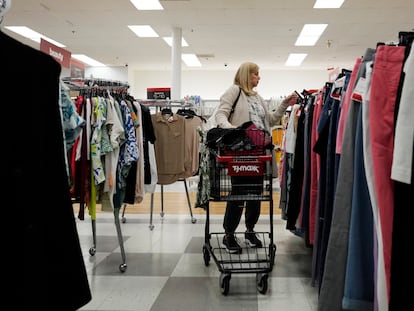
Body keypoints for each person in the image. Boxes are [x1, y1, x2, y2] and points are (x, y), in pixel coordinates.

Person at [215, 61, 298, 253]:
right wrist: (233, 130)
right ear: (246, 75)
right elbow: (221, 115)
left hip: (259, 155)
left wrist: (285, 103)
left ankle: (250, 230)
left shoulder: (257, 97)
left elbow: (269, 119)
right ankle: (229, 235)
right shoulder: (234, 91)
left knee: (255, 195)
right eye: (255, 74)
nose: (259, 78)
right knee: (238, 194)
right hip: (240, 153)